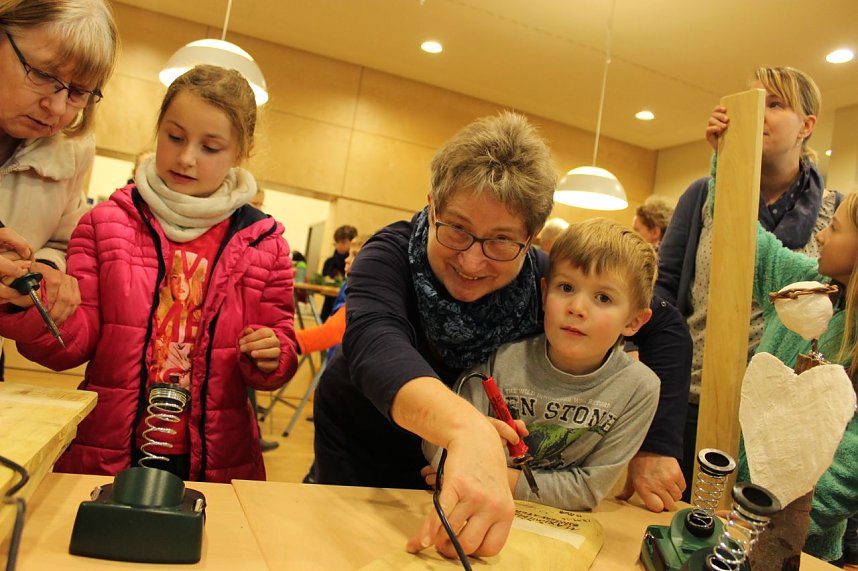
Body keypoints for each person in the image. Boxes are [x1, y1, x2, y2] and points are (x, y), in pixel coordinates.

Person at [313, 111, 691, 559]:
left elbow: (666, 327)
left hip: (474, 471)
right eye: (457, 229)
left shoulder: (548, 283)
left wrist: (656, 446)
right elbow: (377, 348)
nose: (472, 262)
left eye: (501, 241)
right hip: (366, 446)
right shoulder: (387, 255)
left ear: (531, 238)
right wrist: (468, 429)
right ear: (432, 206)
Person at [0, 64, 299, 483]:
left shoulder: (265, 244)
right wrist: (37, 306)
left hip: (217, 458)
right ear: (158, 130)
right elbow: (72, 342)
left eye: (210, 147)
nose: (187, 157)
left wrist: (273, 354)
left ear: (241, 152)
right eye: (174, 137)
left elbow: (280, 339)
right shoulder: (106, 223)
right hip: (107, 448)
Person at [655, 66, 839, 495]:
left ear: (806, 126)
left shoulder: (835, 216)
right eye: (753, 102)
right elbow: (665, 285)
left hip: (776, 411)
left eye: (774, 104)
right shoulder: (703, 194)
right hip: (693, 393)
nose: (760, 114)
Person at [422, 218, 661, 511]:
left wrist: (480, 475)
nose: (577, 308)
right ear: (545, 294)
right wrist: (455, 464)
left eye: (603, 297)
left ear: (634, 321)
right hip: (470, 510)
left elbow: (586, 491)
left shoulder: (640, 389)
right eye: (566, 287)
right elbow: (439, 442)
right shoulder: (499, 357)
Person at [703, 149, 858, 564]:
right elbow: (745, 240)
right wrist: (729, 152)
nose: (821, 236)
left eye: (835, 228)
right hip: (738, 517)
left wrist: (769, 517)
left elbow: (851, 464)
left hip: (801, 546)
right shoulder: (804, 287)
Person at [0, 0, 118, 378]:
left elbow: (60, 241)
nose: (56, 107)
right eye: (42, 74)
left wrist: (46, 270)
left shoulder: (72, 149)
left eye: (78, 92)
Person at [320, 224, 358, 320]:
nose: (339, 245)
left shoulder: (356, 263)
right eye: (337, 242)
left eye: (343, 242)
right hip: (330, 305)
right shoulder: (329, 262)